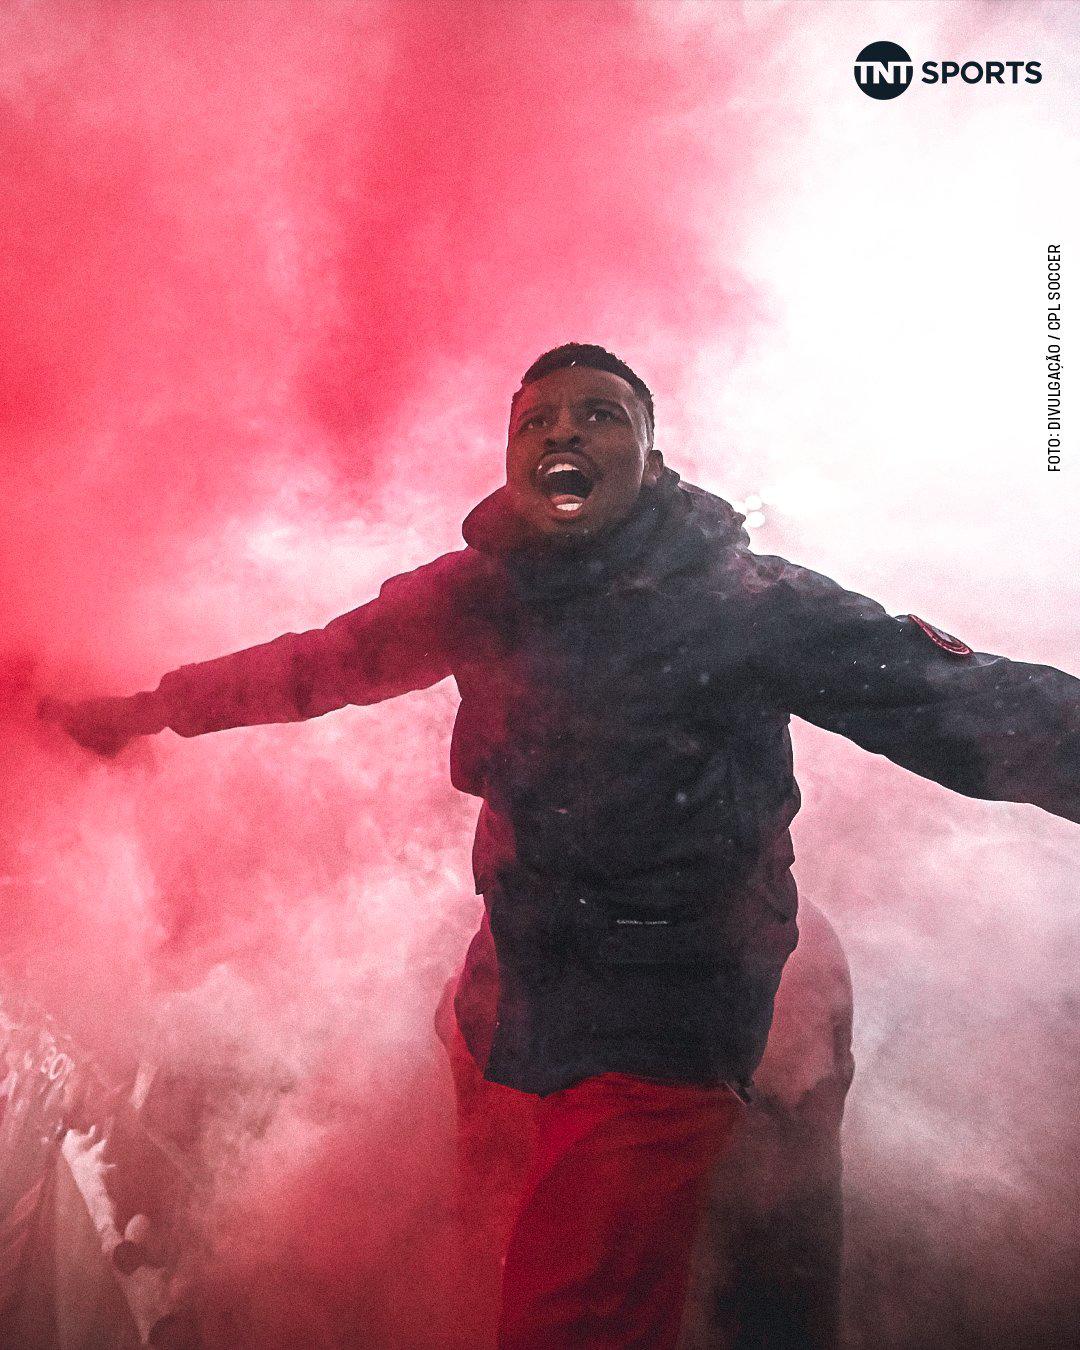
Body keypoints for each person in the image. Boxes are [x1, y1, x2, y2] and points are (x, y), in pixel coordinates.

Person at [44, 344, 1080, 1349]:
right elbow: (315, 667)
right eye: (535, 420)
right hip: (516, 977)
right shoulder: (477, 590)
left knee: (573, 1318)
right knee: (492, 1245)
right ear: (512, 464)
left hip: (669, 998)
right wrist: (137, 712)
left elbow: (949, 695)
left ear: (654, 459)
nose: (561, 431)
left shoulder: (744, 601)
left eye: (598, 414)